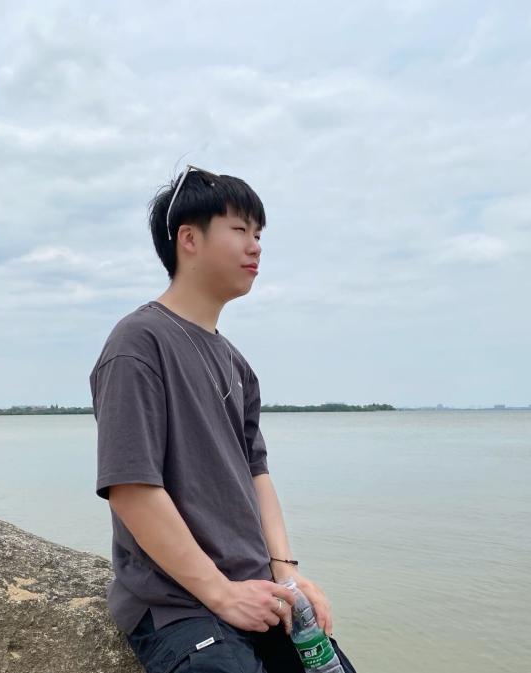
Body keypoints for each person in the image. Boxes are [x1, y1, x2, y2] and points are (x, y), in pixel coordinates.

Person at [89, 165, 358, 672]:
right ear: (189, 239)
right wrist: (220, 593)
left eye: (259, 234)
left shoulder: (236, 363)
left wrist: (287, 574)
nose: (255, 247)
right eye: (240, 230)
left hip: (257, 591)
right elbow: (131, 488)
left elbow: (257, 473)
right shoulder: (138, 343)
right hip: (178, 605)